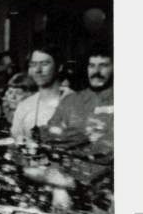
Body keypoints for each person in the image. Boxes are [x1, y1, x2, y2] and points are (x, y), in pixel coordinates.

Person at [36, 46, 114, 188]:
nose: (96, 72)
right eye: (92, 66)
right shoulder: (71, 100)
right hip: (64, 173)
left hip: (107, 181)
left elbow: (110, 150)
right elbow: (47, 134)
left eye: (103, 66)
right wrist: (85, 138)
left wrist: (72, 140)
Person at [11, 46, 71, 142]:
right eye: (33, 64)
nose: (38, 70)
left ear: (59, 67)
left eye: (44, 64)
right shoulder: (24, 106)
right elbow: (16, 143)